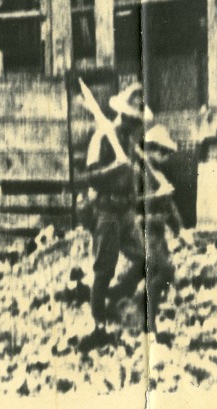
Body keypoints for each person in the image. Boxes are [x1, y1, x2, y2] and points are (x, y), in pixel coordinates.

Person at [79, 79, 147, 343]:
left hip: (126, 211)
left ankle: (117, 296)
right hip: (106, 211)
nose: (135, 125)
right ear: (123, 116)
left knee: (145, 259)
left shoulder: (129, 142)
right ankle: (99, 327)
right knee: (103, 270)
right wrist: (114, 169)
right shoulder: (102, 137)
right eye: (132, 119)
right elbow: (91, 176)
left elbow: (133, 174)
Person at [139, 124, 182, 327]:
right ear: (152, 149)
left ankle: (150, 318)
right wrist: (156, 197)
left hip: (157, 232)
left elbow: (171, 207)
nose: (164, 156)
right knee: (162, 270)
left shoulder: (159, 176)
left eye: (166, 152)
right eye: (161, 151)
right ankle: (147, 320)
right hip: (145, 231)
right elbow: (136, 204)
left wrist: (179, 229)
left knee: (164, 274)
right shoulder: (140, 174)